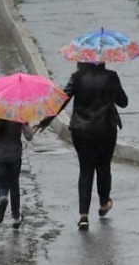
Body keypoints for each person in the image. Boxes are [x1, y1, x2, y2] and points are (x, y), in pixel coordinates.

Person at [37, 61, 128, 231]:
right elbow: (123, 102)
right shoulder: (111, 76)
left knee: (85, 170)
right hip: (106, 128)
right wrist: (111, 91)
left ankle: (84, 216)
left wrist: (46, 120)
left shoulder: (77, 77)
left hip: (81, 129)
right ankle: (103, 203)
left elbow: (62, 99)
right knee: (103, 166)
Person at [0, 118, 34, 228]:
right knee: (14, 184)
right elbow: (29, 137)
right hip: (14, 156)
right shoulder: (20, 115)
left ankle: (3, 197)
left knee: (2, 182)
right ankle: (16, 217)